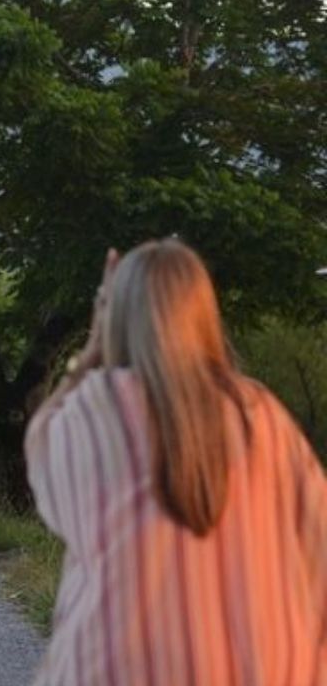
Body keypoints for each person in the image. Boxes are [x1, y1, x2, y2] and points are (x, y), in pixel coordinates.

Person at [25, 239, 327, 685]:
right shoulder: (262, 414)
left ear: (118, 320)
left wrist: (90, 351)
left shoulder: (95, 406)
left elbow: (42, 459)